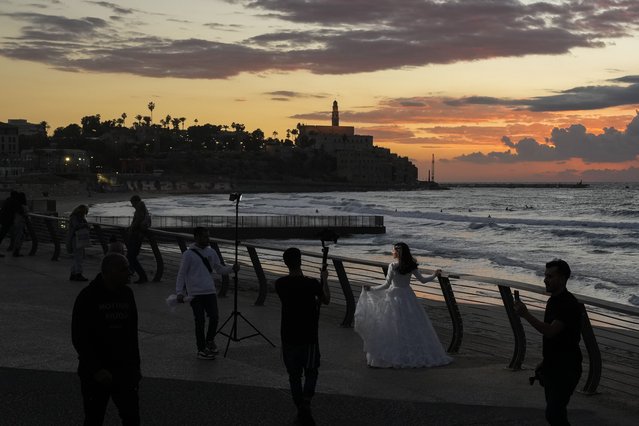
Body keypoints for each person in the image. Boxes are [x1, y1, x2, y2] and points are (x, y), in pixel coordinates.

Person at [354, 242, 452, 368]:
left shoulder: (392, 266)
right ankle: (410, 354)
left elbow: (386, 285)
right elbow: (423, 280)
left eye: (393, 250)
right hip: (408, 296)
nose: (392, 252)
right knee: (411, 325)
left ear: (397, 252)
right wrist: (434, 274)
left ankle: (394, 355)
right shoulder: (411, 265)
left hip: (394, 297)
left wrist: (372, 289)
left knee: (392, 326)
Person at [72, 253, 141, 426]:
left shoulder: (127, 294)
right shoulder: (87, 297)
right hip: (95, 374)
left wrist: (136, 367)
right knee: (94, 418)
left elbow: (132, 334)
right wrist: (96, 369)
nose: (129, 272)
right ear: (109, 272)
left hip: (124, 370)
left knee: (132, 418)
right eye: (124, 269)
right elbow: (79, 337)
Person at [514, 259, 582, 425]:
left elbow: (551, 331)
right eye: (545, 275)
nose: (545, 279)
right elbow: (553, 339)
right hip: (553, 366)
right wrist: (545, 362)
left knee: (554, 413)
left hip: (567, 368)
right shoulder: (552, 301)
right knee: (555, 414)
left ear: (563, 278)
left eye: (550, 276)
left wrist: (526, 314)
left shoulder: (569, 304)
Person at [275, 247, 330, 425]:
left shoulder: (280, 283)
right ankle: (306, 403)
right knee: (311, 370)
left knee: (294, 375)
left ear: (285, 263)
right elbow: (326, 299)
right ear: (301, 261)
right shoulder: (312, 284)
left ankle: (300, 408)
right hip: (309, 335)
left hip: (288, 334)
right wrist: (324, 280)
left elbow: (293, 299)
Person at [175, 227, 237, 360]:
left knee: (214, 317)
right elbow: (181, 273)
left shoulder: (211, 251)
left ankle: (209, 341)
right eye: (205, 237)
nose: (208, 239)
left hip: (209, 291)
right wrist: (179, 292)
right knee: (200, 321)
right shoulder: (188, 254)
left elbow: (219, 269)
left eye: (208, 236)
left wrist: (232, 269)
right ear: (196, 237)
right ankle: (201, 349)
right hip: (195, 293)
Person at [126, 195, 150, 283]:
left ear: (136, 202)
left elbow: (137, 221)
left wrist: (131, 228)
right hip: (138, 236)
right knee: (131, 256)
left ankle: (142, 276)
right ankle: (136, 274)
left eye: (132, 203)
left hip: (136, 236)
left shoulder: (139, 209)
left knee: (130, 256)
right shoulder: (143, 209)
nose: (132, 205)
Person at [67, 204, 90, 281]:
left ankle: (73, 273)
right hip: (76, 239)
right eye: (85, 212)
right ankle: (78, 274)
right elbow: (76, 226)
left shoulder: (74, 217)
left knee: (77, 256)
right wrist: (85, 225)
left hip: (76, 238)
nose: (85, 214)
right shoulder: (75, 217)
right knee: (79, 257)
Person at [0, 190, 20, 258]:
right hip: (8, 221)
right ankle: (13, 248)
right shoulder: (13, 202)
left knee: (2, 234)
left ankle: (11, 247)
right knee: (3, 234)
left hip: (4, 220)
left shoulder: (7, 200)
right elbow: (18, 210)